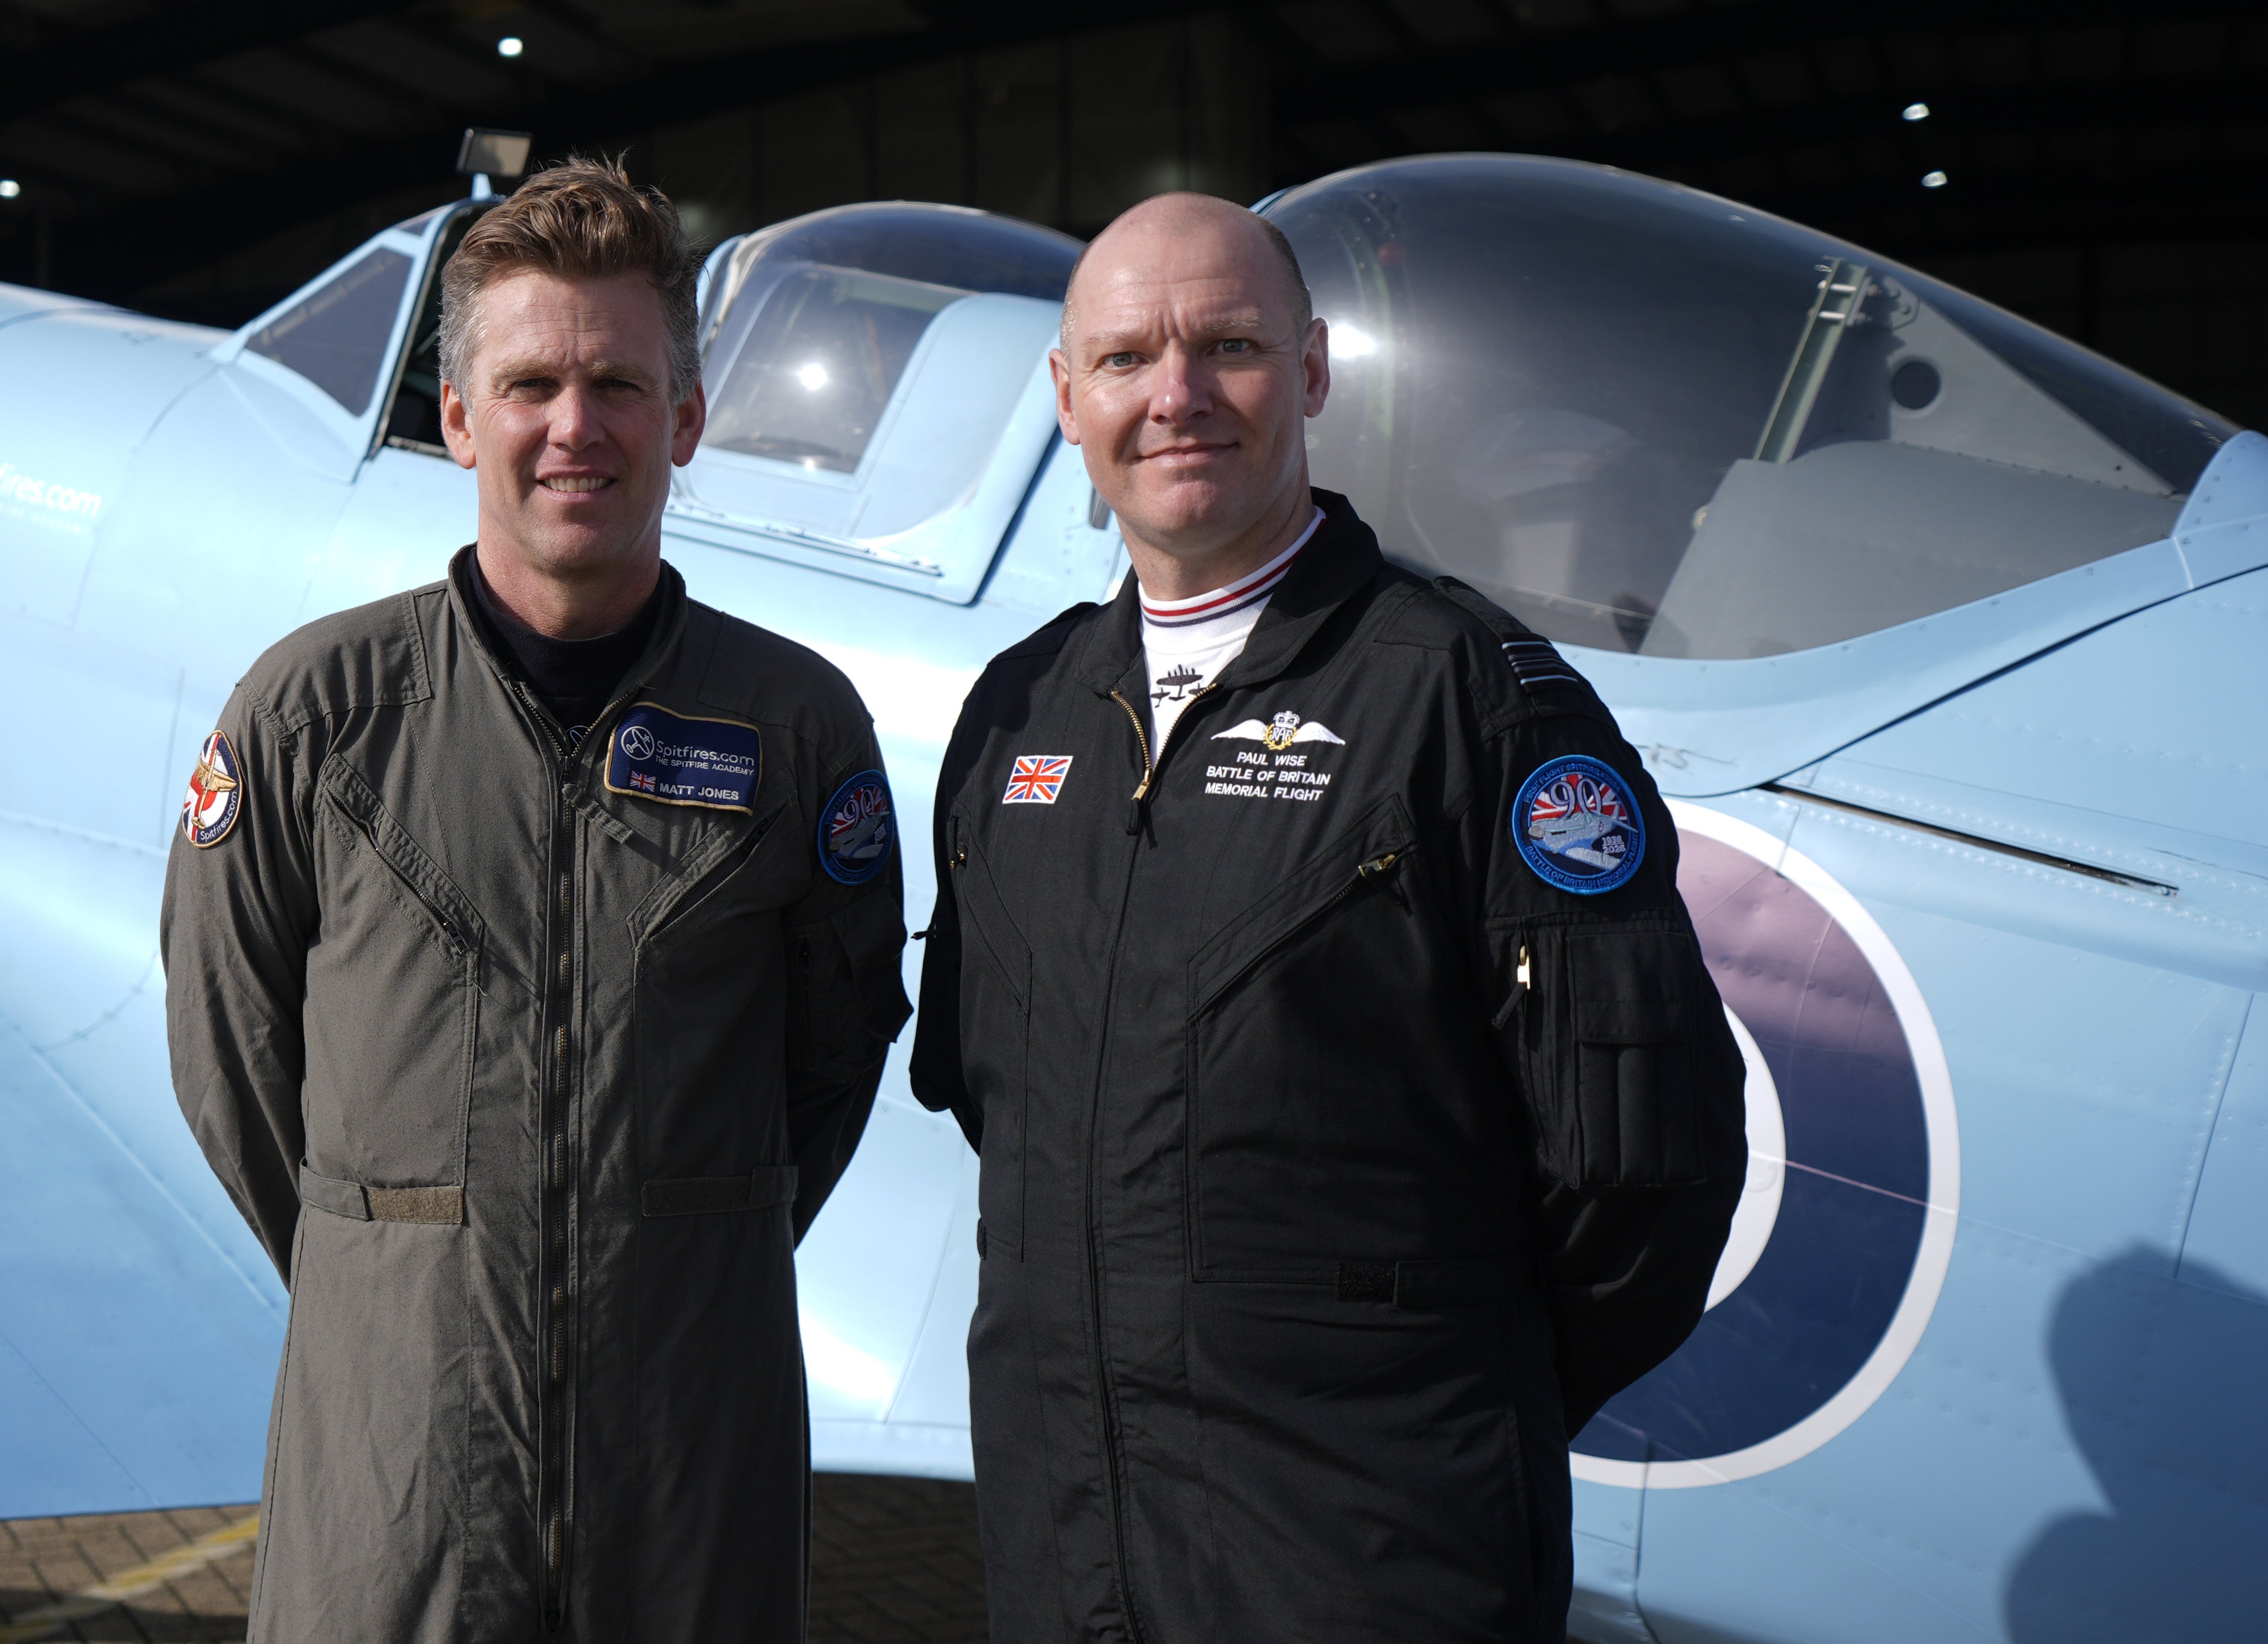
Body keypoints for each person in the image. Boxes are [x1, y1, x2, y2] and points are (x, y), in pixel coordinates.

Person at [910, 191, 1745, 1643]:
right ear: (1065, 396)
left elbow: (1643, 1170)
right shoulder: (1018, 715)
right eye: (1123, 360)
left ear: (1306, 372)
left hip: (1368, 1555)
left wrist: (1428, 1405)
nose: (1174, 396)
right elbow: (1013, 1110)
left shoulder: (1467, 700)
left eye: (1223, 346)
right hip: (1073, 1547)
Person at [161, 157, 910, 1644]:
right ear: (456, 418)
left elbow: (825, 1075)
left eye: (620, 384)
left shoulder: (796, 728)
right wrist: (406, 1265)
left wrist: (664, 1248)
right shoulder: (315, 714)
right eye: (530, 385)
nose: (577, 427)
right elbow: (235, 1063)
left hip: (688, 1489)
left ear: (686, 418)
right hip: (398, 1498)